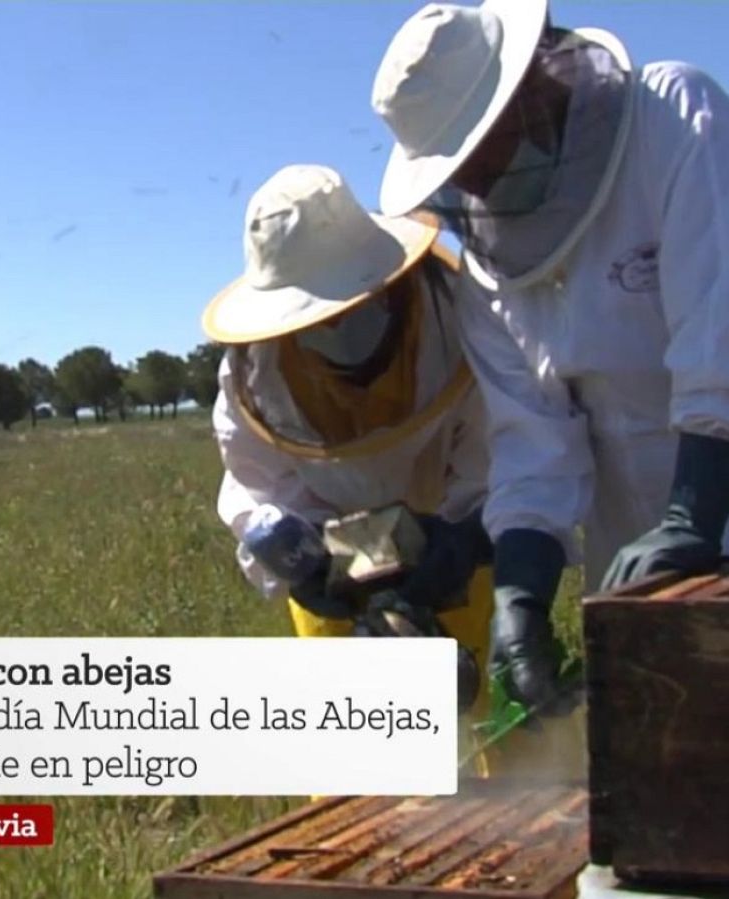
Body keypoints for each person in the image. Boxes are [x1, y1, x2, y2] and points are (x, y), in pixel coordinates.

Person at [368, 0, 729, 712]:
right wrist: (520, 601)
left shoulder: (678, 122)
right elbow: (535, 447)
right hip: (626, 538)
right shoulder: (492, 276)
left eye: (479, 155)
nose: (474, 186)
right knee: (653, 749)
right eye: (458, 171)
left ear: (531, 88)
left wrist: (690, 518)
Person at [204, 164, 584, 776]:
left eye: (343, 307)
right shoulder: (255, 374)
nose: (331, 326)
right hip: (336, 566)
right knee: (352, 775)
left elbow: (501, 461)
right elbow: (258, 484)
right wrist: (306, 567)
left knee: (513, 742)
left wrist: (460, 545)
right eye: (313, 316)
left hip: (457, 549)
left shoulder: (459, 323)